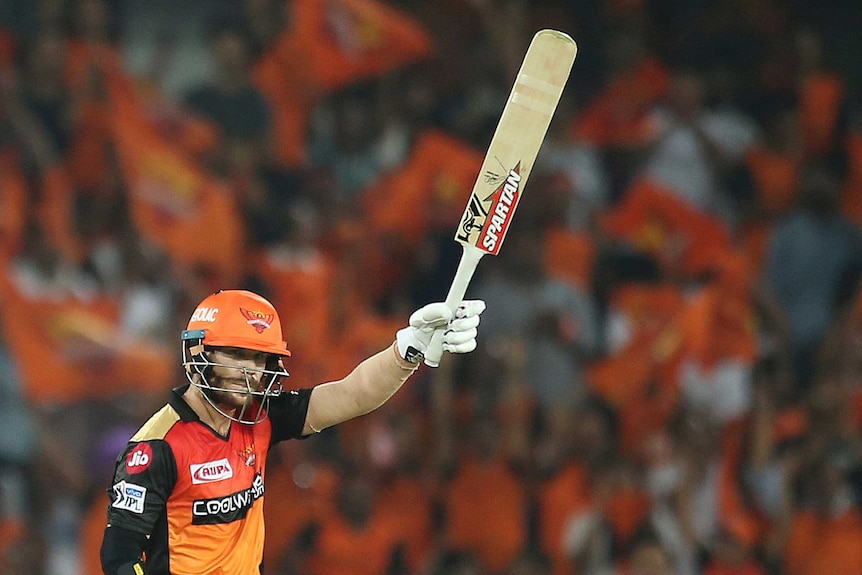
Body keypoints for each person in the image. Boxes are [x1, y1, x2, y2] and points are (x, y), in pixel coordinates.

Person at [99, 289, 484, 575]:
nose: (251, 370)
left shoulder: (258, 416)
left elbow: (352, 394)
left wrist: (408, 348)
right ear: (200, 352)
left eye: (260, 358)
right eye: (237, 353)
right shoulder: (157, 447)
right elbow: (119, 556)